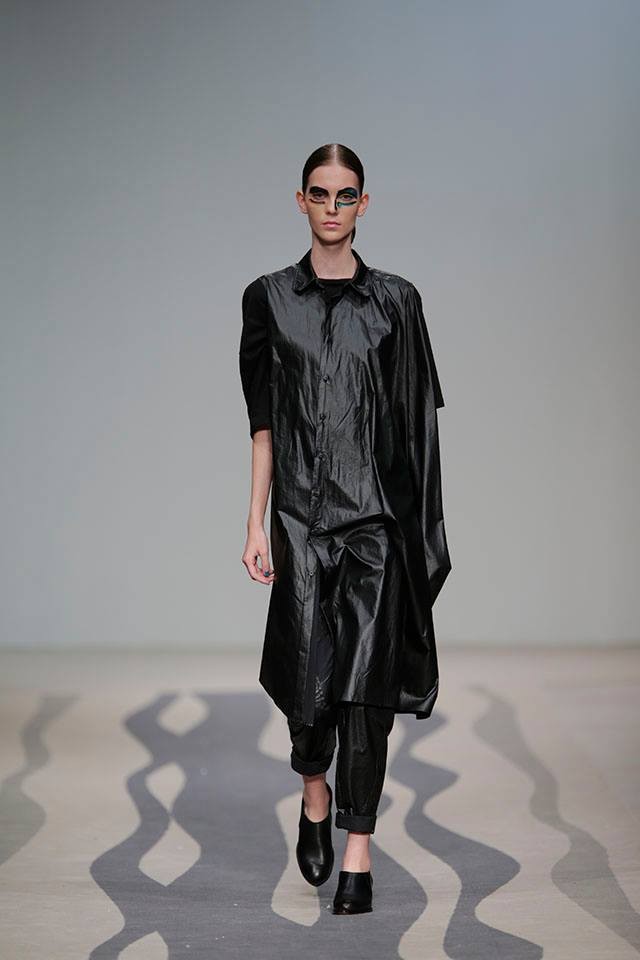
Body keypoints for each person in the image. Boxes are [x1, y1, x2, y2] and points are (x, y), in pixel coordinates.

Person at [239, 143, 451, 915]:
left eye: (347, 194)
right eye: (321, 194)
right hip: (300, 520)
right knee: (309, 692)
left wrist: (419, 537)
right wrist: (255, 521)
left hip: (375, 525)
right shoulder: (267, 298)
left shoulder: (397, 301)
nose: (333, 208)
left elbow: (417, 425)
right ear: (300, 200)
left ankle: (358, 849)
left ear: (365, 203)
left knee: (366, 694)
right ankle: (315, 792)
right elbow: (263, 423)